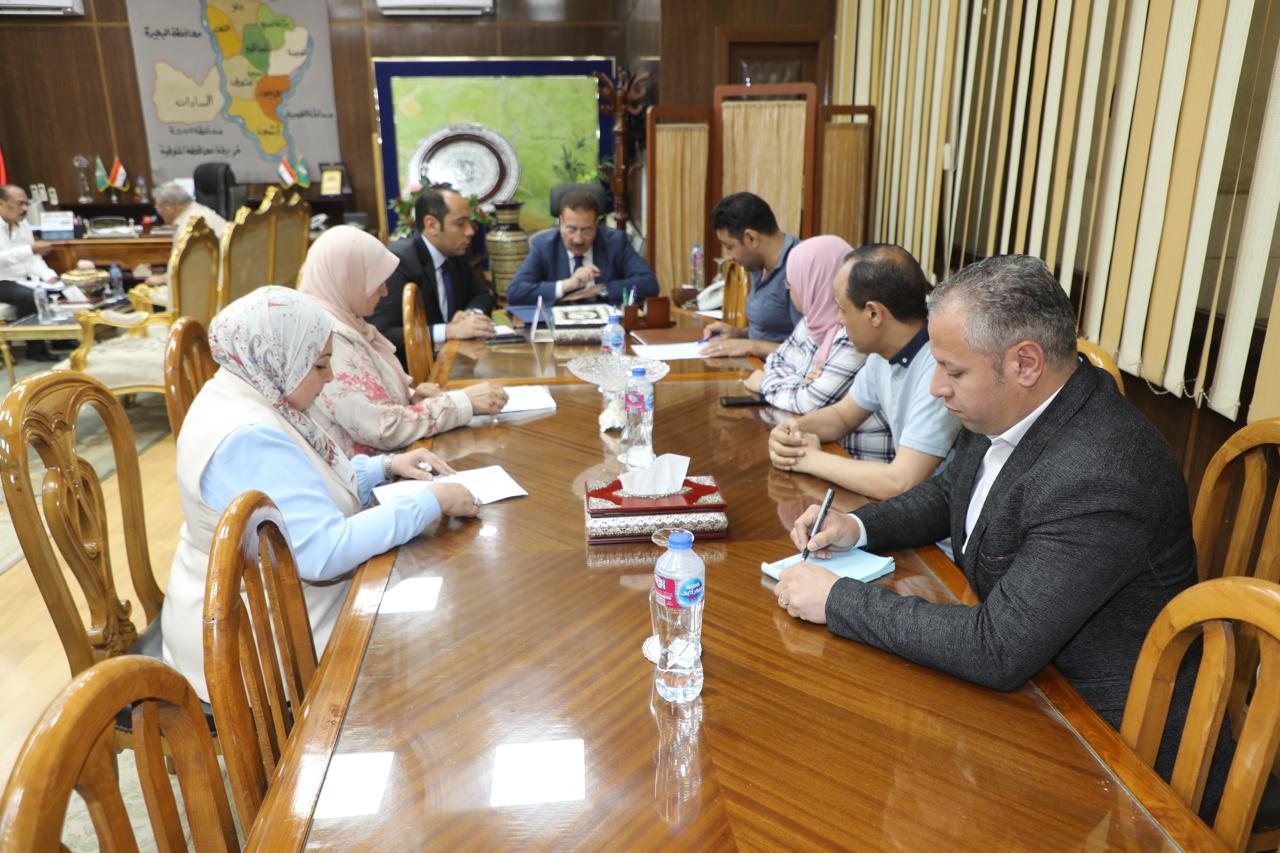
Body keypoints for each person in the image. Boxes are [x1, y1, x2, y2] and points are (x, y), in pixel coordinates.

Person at [775, 255, 1208, 806]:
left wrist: (839, 600)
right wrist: (857, 525)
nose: (937, 387)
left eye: (953, 371)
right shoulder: (1012, 406)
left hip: (1107, 747)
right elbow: (947, 495)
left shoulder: (1101, 474)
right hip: (1031, 684)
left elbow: (997, 648)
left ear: (1025, 363)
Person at [161, 286, 481, 702]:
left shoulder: (249, 388)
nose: (330, 377)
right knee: (441, 643)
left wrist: (383, 467)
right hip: (254, 644)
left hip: (266, 609)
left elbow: (302, 491)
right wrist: (430, 501)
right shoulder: (248, 437)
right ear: (280, 357)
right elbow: (323, 552)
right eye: (320, 365)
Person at [768, 244, 959, 500]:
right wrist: (793, 428)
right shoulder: (883, 353)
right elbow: (842, 416)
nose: (838, 319)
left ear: (873, 313)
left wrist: (805, 457)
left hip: (940, 518)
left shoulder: (939, 366)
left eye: (842, 308)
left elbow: (901, 482)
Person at [298, 225, 508, 456]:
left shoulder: (346, 321)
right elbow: (382, 428)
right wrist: (463, 403)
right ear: (347, 279)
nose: (385, 291)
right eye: (376, 281)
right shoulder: (328, 339)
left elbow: (365, 404)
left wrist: (409, 397)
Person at [744, 235, 893, 462]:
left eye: (791, 284)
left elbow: (810, 403)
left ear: (812, 283)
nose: (790, 292)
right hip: (828, 450)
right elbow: (776, 360)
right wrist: (801, 382)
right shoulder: (812, 320)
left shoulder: (854, 331)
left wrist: (766, 383)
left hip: (857, 461)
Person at [368, 186, 497, 367]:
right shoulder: (398, 262)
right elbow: (382, 334)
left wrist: (471, 316)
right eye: (460, 224)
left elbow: (481, 294)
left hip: (454, 361)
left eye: (469, 222)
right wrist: (449, 331)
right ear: (432, 225)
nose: (470, 231)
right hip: (412, 372)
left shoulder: (453, 253)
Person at [506, 189, 658, 306]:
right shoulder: (544, 246)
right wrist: (566, 285)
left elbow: (649, 284)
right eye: (571, 229)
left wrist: (601, 289)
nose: (578, 240)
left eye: (586, 230)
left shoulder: (616, 243)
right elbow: (515, 292)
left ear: (596, 224)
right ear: (561, 222)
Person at [699, 192, 799, 360]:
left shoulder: (798, 267)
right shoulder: (758, 265)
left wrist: (751, 346)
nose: (728, 257)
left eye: (729, 247)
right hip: (758, 366)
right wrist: (739, 334)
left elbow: (811, 353)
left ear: (751, 238)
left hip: (784, 372)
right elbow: (771, 333)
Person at [0, 184, 60, 360]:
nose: (25, 208)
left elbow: (32, 258)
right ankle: (35, 350)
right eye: (19, 203)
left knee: (58, 288)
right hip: (2, 280)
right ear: (1, 204)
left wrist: (50, 276)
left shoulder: (23, 224)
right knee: (29, 296)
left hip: (21, 279)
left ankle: (61, 340)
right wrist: (30, 249)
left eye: (26, 203)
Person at [143, 182, 228, 287]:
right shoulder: (205, 211)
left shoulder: (187, 229)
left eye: (158, 206)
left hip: (206, 286)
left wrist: (162, 279)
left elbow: (184, 270)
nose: (158, 211)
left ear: (170, 206)